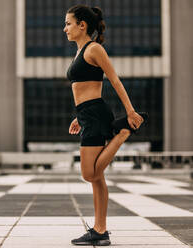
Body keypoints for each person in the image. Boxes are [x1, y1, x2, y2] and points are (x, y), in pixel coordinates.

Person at [64, 4, 148, 246]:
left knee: (89, 173)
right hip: (87, 114)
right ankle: (100, 230)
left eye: (68, 23)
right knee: (97, 177)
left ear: (83, 25)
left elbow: (115, 80)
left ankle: (122, 133)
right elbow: (82, 89)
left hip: (96, 114)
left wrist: (130, 111)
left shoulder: (94, 49)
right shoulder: (80, 52)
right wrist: (78, 116)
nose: (65, 28)